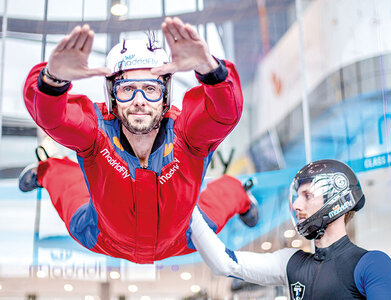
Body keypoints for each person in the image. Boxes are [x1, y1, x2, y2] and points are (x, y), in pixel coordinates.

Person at [20, 17, 258, 264]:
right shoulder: (97, 132)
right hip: (101, 235)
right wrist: (52, 81)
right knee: (64, 182)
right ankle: (44, 170)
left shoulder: (186, 135)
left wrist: (211, 70)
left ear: (165, 95)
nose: (139, 100)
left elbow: (223, 114)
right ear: (112, 95)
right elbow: (55, 119)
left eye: (151, 88)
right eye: (127, 89)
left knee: (228, 194)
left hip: (183, 237)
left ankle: (243, 196)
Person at [190, 159, 391, 299]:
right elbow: (226, 264)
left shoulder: (371, 264)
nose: (297, 205)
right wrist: (186, 205)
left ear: (337, 201)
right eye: (297, 196)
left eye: (307, 195)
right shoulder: (292, 263)